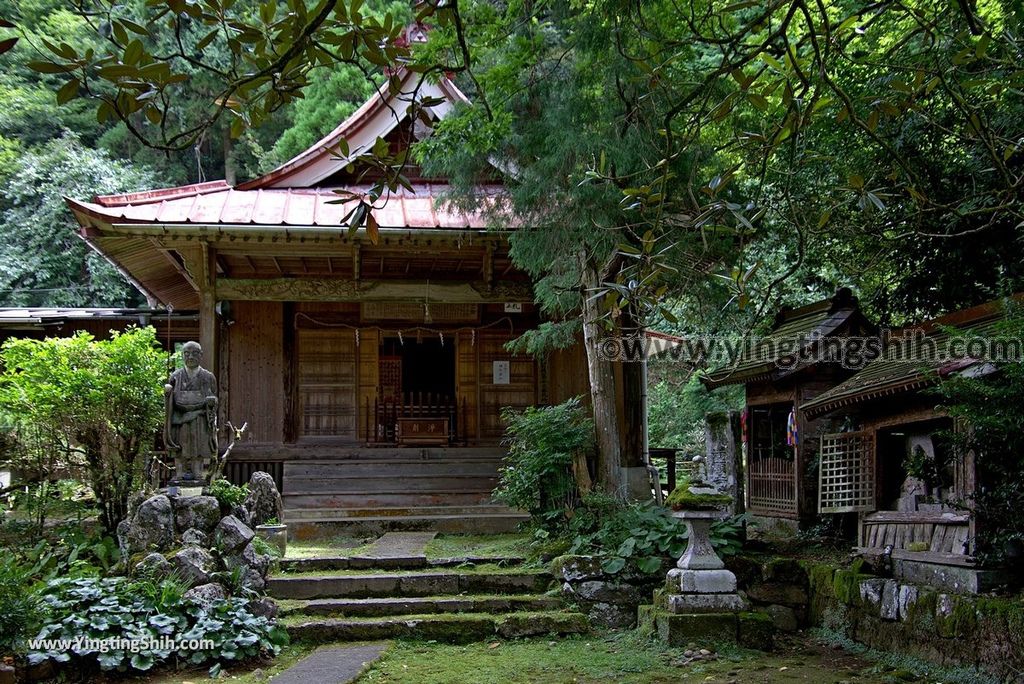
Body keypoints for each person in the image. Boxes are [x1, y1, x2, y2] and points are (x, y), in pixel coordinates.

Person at [164, 341, 218, 481]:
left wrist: (212, 401)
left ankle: (198, 474)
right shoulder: (176, 376)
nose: (190, 356)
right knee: (180, 447)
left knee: (198, 447)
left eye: (194, 353)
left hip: (199, 417)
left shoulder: (208, 377)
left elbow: (214, 397)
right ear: (182, 355)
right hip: (180, 417)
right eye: (186, 353)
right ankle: (179, 474)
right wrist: (168, 393)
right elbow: (170, 400)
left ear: (201, 355)